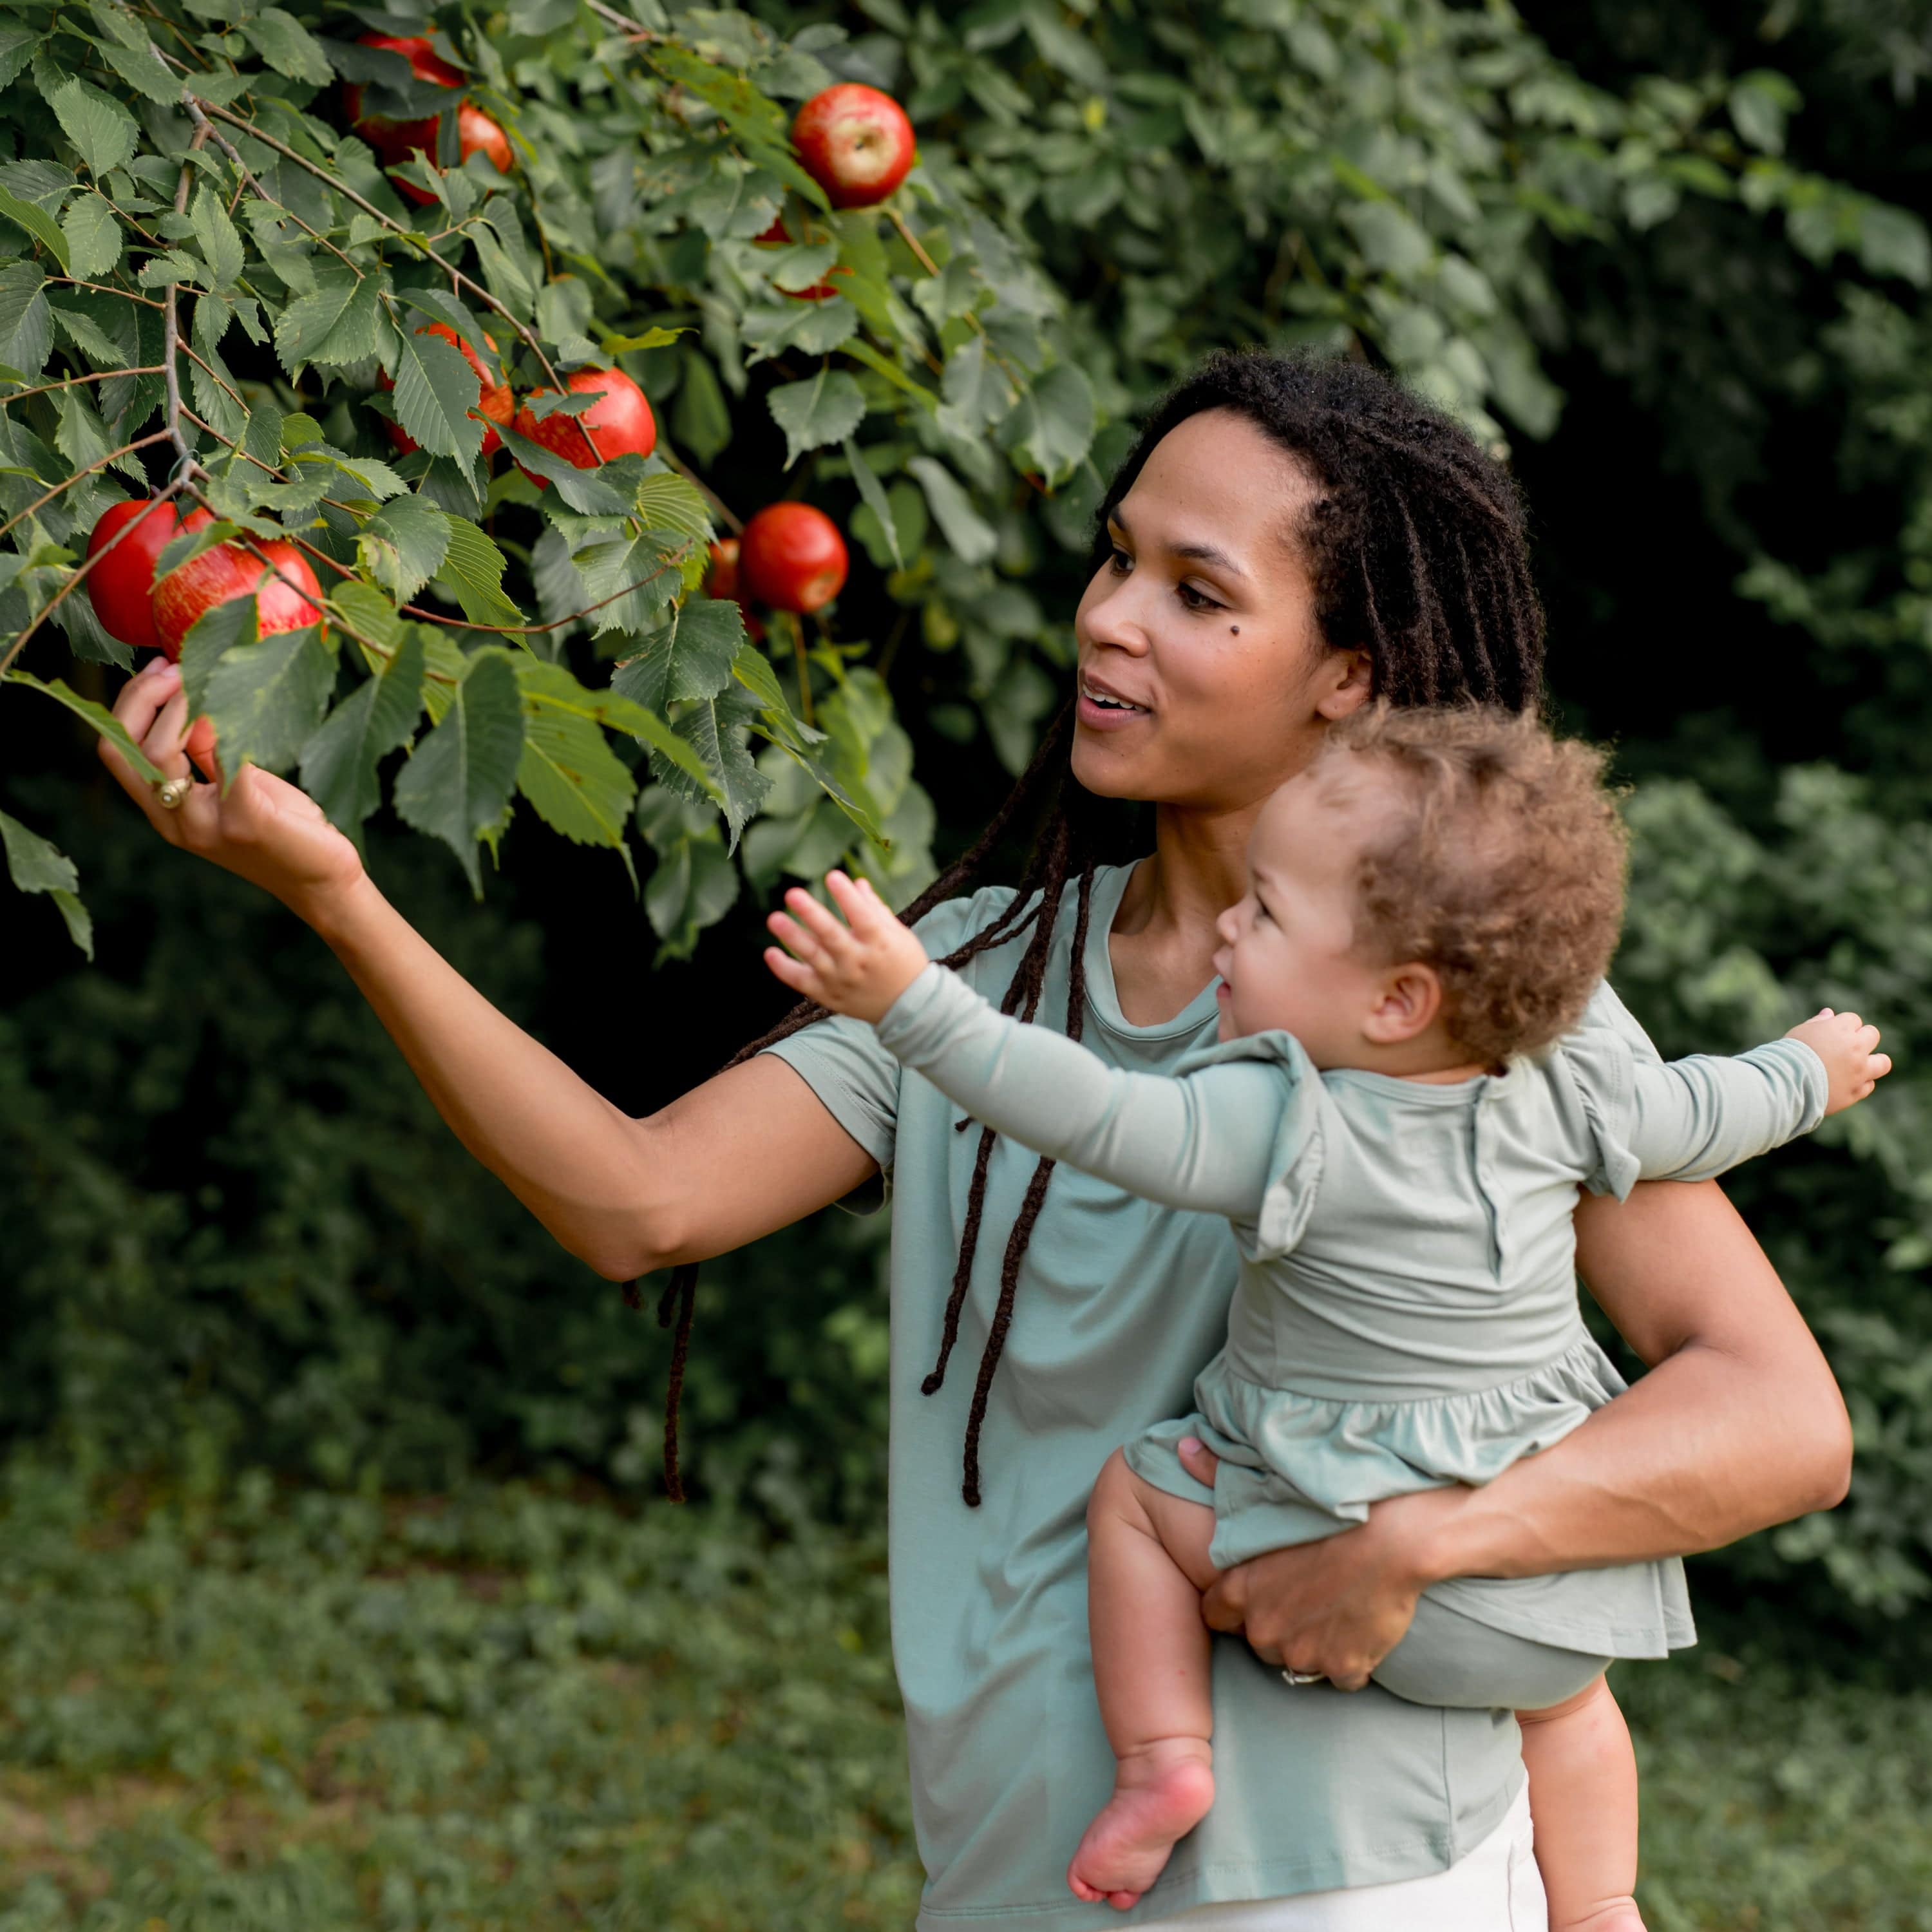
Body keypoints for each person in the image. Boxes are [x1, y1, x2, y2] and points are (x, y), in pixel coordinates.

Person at [97, 352, 1853, 1930]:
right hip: (1021, 1868)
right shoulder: (968, 981)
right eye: (1114, 560)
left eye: (1197, 594)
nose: (1109, 619)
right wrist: (338, 897)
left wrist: (1422, 1546)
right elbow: (637, 1205)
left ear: (1350, 676)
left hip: (1349, 1877)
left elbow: (1774, 1420)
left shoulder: (1461, 1018)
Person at [754, 705, 1888, 1931]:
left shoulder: (1290, 1127)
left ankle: (1162, 1760)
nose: (1232, 926)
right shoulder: (1575, 1087)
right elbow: (1710, 1108)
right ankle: (1603, 1900)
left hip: (1330, 1538)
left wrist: (916, 1003)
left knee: (1136, 1497)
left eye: (1267, 912)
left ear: (1398, 1001)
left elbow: (1088, 1111)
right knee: (1571, 1711)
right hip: (1540, 1585)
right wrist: (1814, 1071)